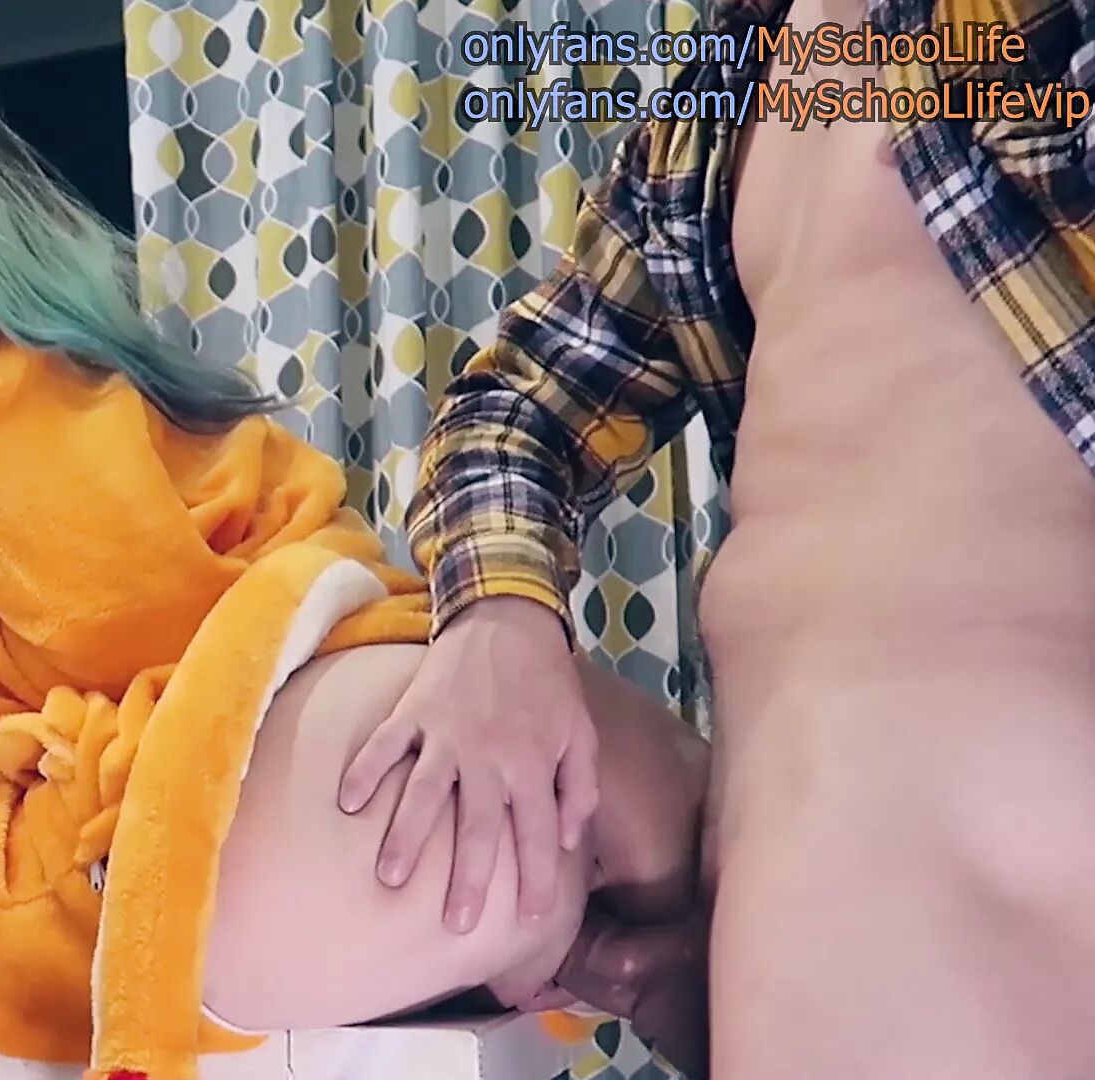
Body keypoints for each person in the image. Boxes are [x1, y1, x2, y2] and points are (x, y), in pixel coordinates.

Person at [0, 1, 712, 1078]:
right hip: (513, 732)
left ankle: (545, 939)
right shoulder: (15, 322)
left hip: (313, 793)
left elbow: (123, 611)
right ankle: (585, 947)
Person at [389, 0, 1095, 1073]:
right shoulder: (716, 109)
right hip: (790, 913)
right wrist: (496, 619)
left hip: (1023, 896)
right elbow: (523, 405)